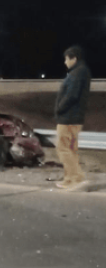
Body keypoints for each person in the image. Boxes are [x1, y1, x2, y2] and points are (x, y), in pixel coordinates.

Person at [54, 45, 91, 190]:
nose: (65, 62)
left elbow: (72, 95)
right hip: (75, 117)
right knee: (71, 149)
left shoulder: (77, 73)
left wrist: (59, 108)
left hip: (69, 117)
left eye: (66, 59)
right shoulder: (81, 71)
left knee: (62, 148)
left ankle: (76, 178)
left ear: (73, 58)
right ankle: (69, 179)